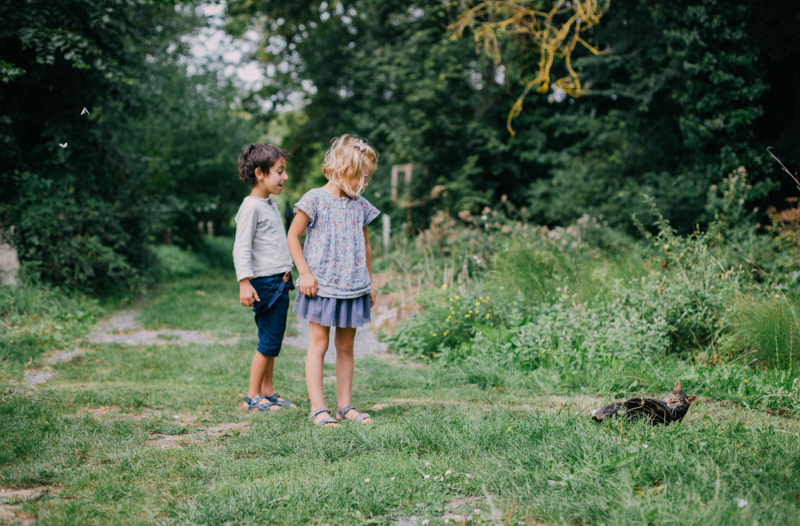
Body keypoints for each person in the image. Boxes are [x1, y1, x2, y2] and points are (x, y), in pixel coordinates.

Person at [287, 135, 380, 427]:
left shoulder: (361, 206)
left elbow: (366, 247)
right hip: (322, 286)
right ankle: (318, 409)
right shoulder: (314, 199)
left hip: (354, 287)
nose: (364, 183)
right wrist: (304, 272)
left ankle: (345, 406)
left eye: (368, 178)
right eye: (361, 176)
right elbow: (293, 237)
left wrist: (369, 282)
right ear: (342, 167)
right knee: (318, 343)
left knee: (346, 346)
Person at [233, 143, 296, 412]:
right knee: (268, 341)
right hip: (266, 283)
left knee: (273, 339)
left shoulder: (269, 204)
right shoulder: (251, 207)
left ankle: (267, 391)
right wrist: (244, 282)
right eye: (280, 171)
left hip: (279, 282)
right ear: (260, 173)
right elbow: (241, 247)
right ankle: (252, 396)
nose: (285, 177)